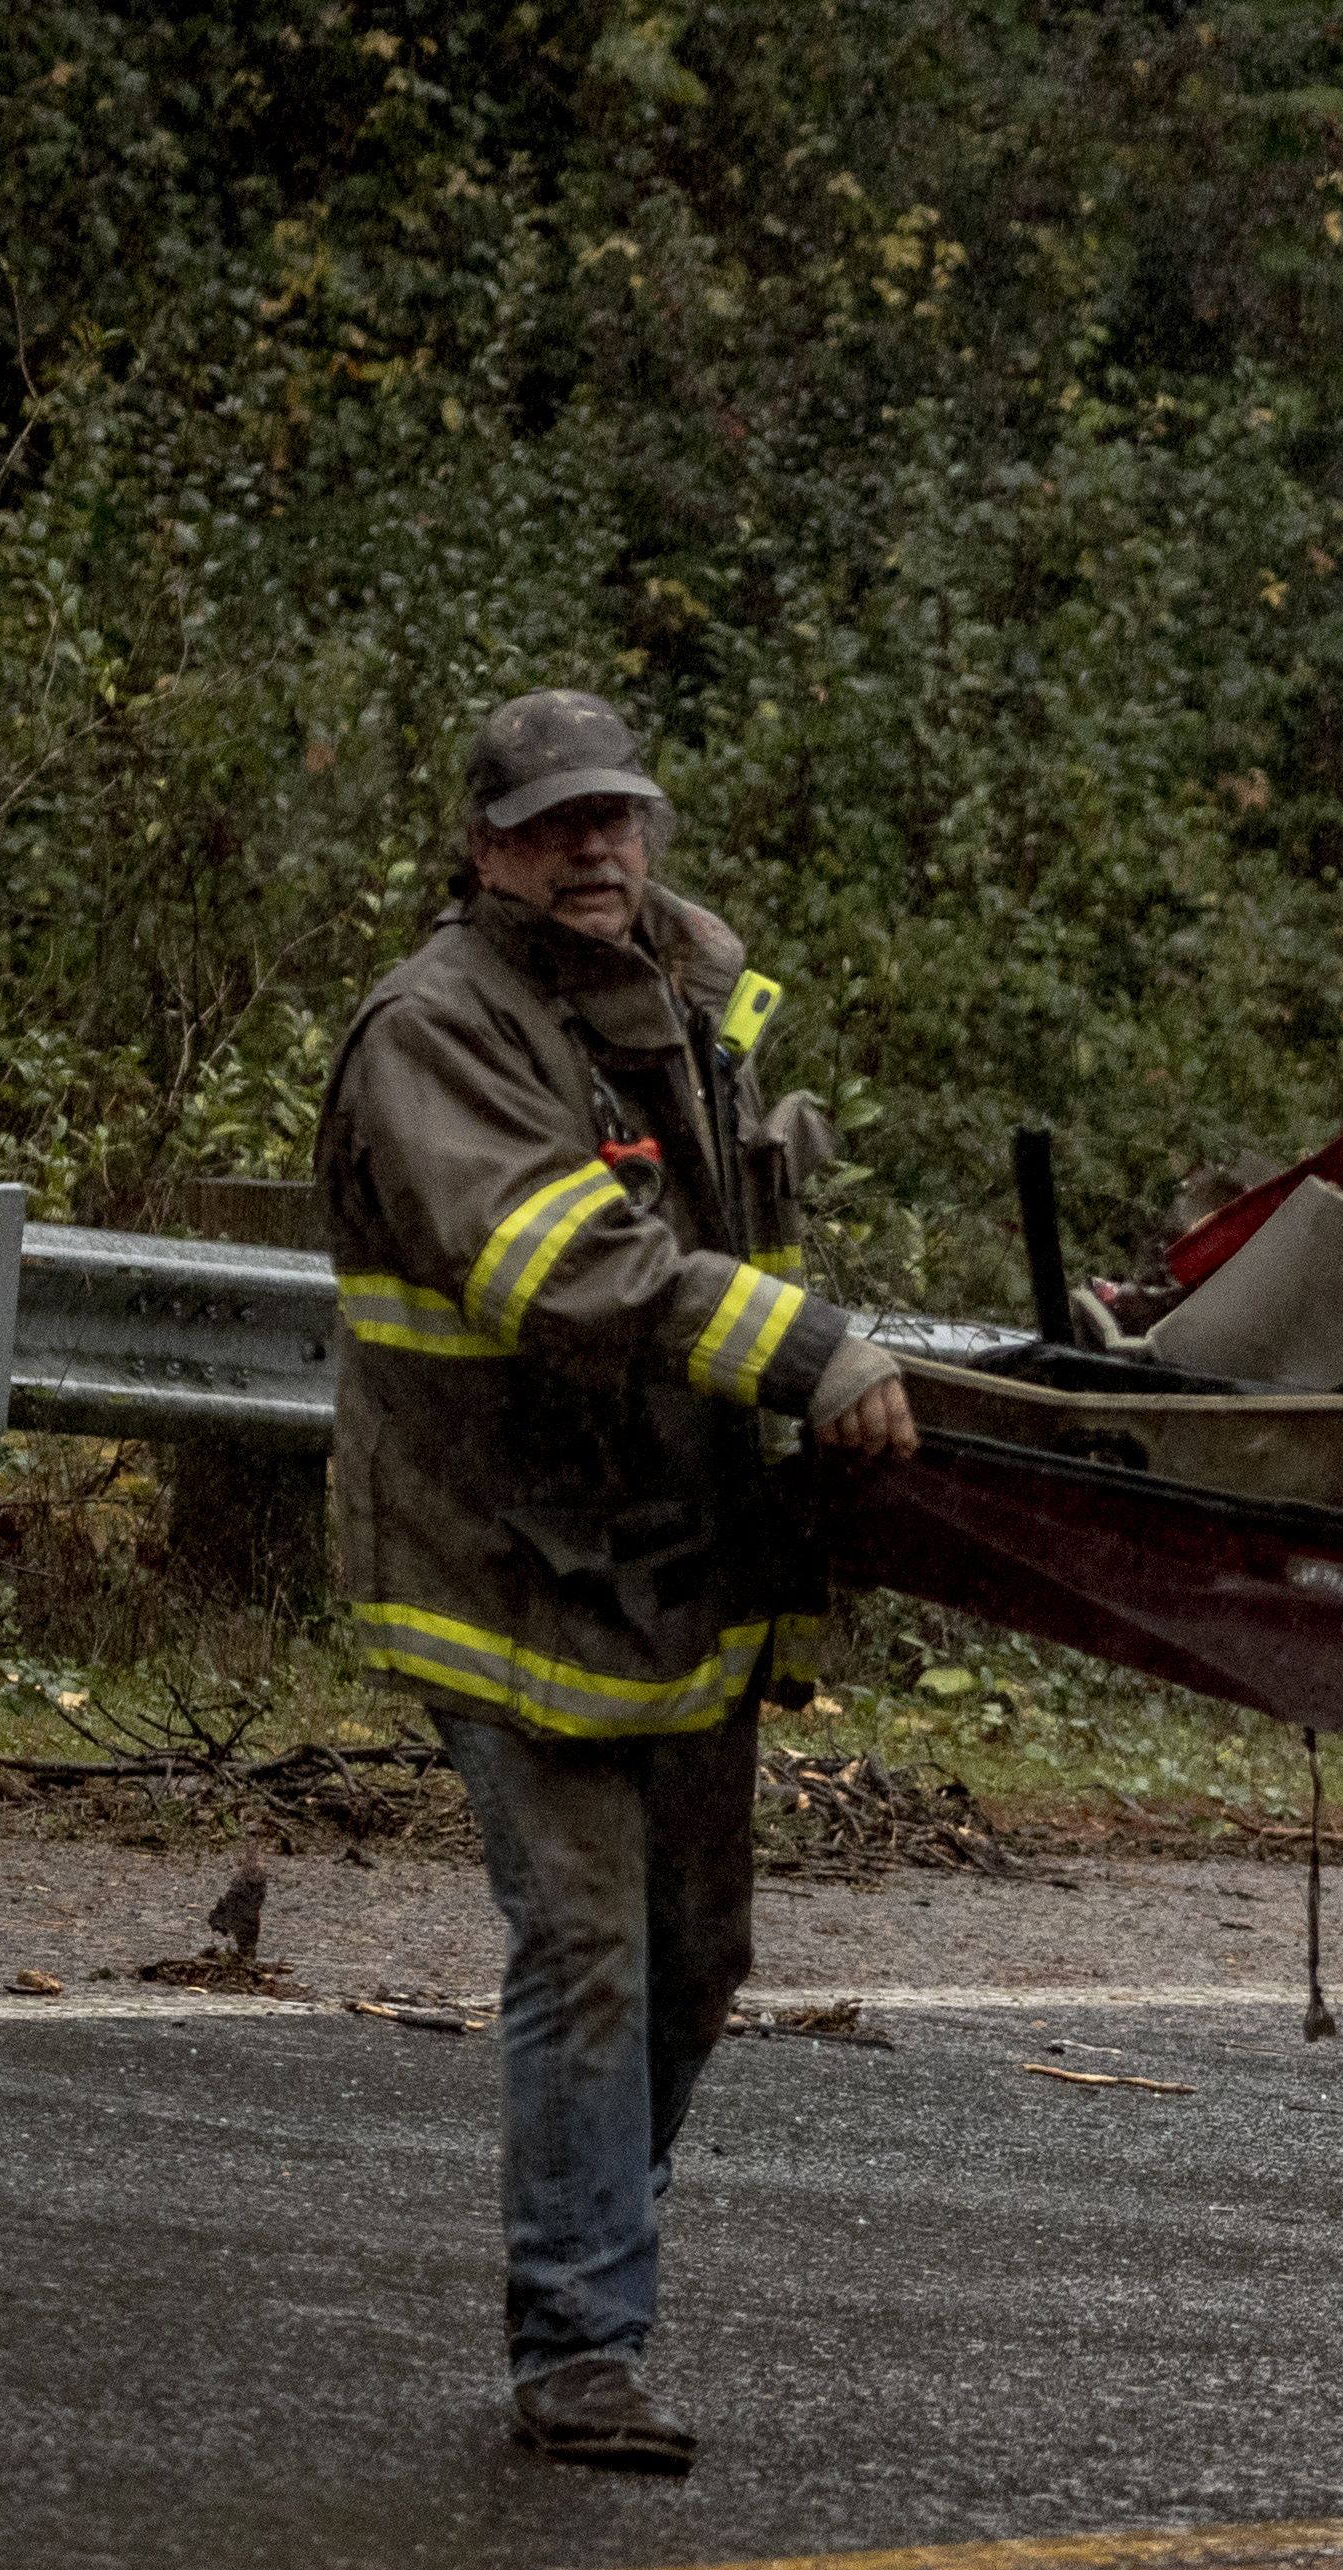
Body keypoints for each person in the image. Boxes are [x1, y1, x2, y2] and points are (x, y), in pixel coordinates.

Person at [315, 692, 915, 2476]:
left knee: (697, 1956)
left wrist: (817, 1433)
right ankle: (579, 2338)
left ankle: (600, 2231)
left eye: (618, 817)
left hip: (677, 1559)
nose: (594, 849)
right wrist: (808, 1352)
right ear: (486, 844)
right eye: (553, 823)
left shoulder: (692, 996)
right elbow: (562, 1265)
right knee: (583, 1948)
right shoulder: (437, 1030)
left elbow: (740, 1238)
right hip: (501, 1558)